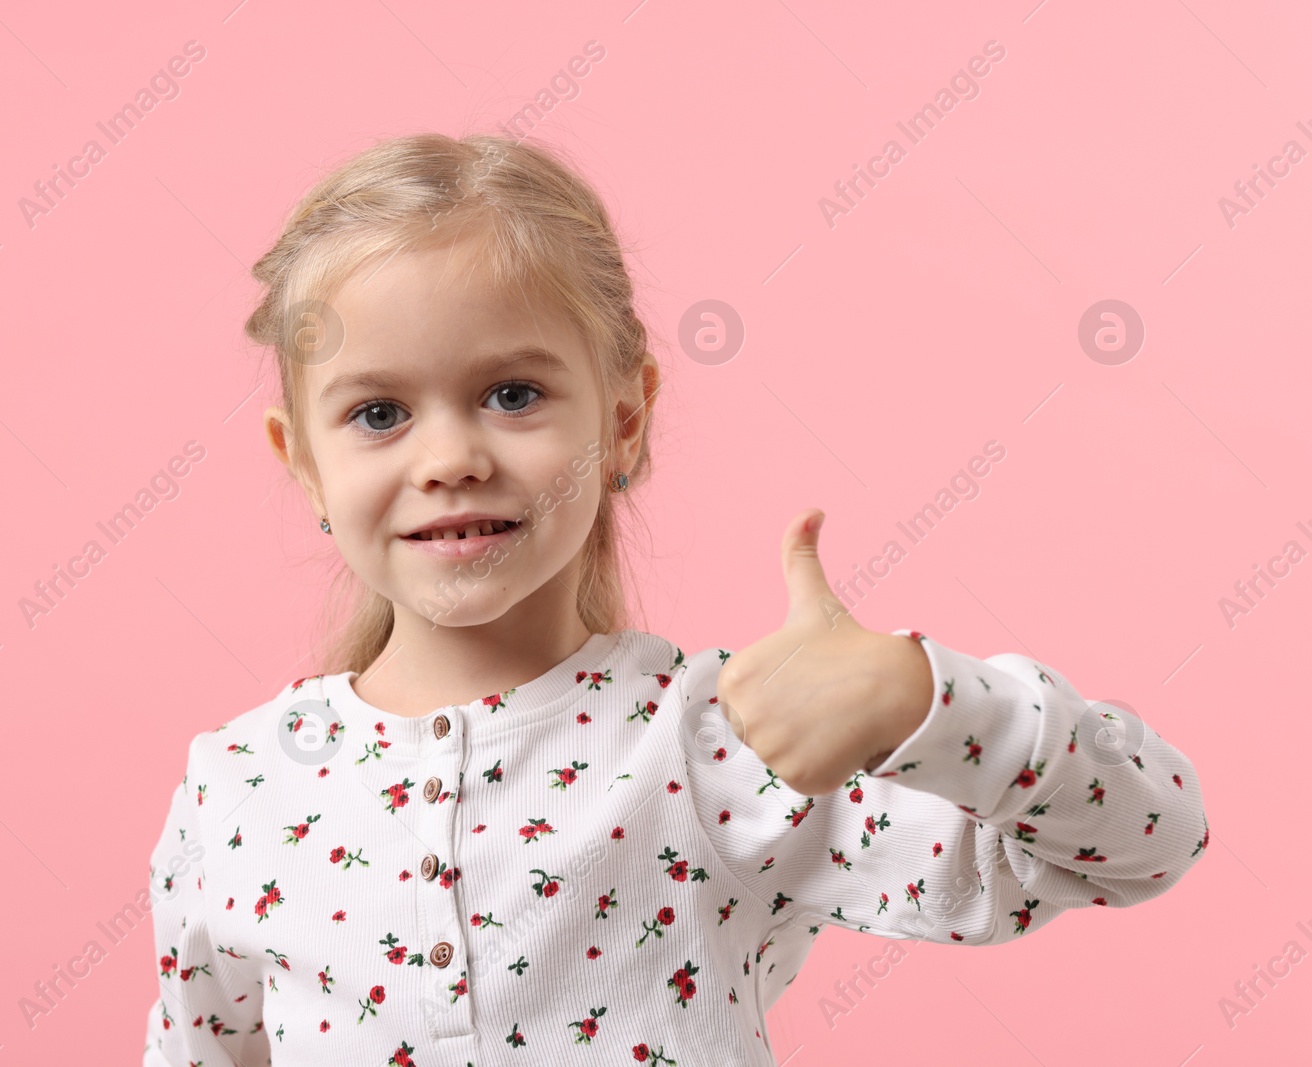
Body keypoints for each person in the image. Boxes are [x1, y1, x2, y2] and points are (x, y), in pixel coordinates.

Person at [142, 132, 1208, 1066]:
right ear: (303, 463)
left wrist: (924, 700)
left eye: (512, 394)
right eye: (377, 412)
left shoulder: (719, 745)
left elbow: (1145, 839)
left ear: (624, 417)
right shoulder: (236, 786)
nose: (450, 456)